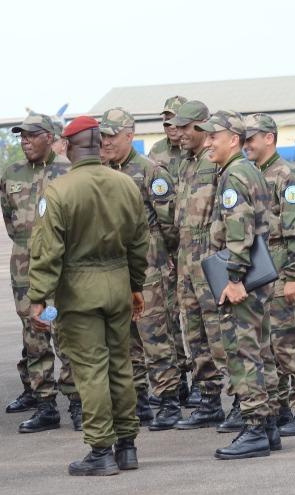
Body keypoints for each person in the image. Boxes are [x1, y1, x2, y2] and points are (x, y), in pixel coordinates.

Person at [28, 116, 149, 476]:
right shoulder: (125, 184)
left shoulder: (60, 191)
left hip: (80, 292)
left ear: (67, 146)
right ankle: (127, 446)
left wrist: (39, 297)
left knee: (91, 370)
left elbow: (47, 252)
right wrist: (136, 286)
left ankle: (100, 450)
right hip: (118, 286)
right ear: (98, 146)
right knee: (120, 366)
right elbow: (140, 242)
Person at [197, 110, 280, 459]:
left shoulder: (234, 175)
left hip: (242, 281)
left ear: (233, 138)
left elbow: (240, 230)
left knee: (243, 352)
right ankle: (271, 426)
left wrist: (232, 280)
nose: (207, 142)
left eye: (213, 136)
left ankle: (255, 429)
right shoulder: (249, 170)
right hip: (256, 280)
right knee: (261, 351)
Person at [99, 108, 181, 430]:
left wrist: (164, 259)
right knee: (125, 337)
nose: (105, 141)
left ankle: (169, 401)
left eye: (111, 135)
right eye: (102, 135)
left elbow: (169, 224)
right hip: (114, 264)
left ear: (129, 136)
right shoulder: (101, 171)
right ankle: (140, 399)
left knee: (153, 334)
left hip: (148, 265)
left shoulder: (150, 171)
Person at [0, 113, 80, 433]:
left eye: (32, 136)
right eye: (21, 136)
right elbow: (11, 222)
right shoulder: (12, 174)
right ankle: (45, 403)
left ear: (50, 137)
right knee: (34, 334)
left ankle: (77, 402)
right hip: (24, 266)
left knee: (66, 331)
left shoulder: (69, 172)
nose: (25, 141)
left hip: (63, 265)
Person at [167, 101, 229, 429]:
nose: (179, 133)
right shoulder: (185, 163)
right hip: (186, 259)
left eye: (187, 127)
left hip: (211, 257)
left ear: (203, 127)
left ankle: (241, 400)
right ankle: (209, 399)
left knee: (219, 331)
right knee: (194, 331)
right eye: (177, 127)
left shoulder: (215, 162)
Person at [243, 113, 295, 437]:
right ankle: (280, 408)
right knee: (268, 344)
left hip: (283, 273)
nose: (246, 144)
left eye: (251, 137)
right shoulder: (254, 176)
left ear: (269, 138)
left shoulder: (287, 178)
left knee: (288, 344)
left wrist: (294, 276)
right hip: (264, 274)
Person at [148, 96, 191, 402]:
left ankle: (206, 383)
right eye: (166, 122)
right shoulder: (156, 153)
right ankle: (179, 380)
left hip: (190, 243)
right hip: (164, 248)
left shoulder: (197, 151)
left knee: (195, 315)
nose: (171, 127)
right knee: (167, 315)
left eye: (176, 121)